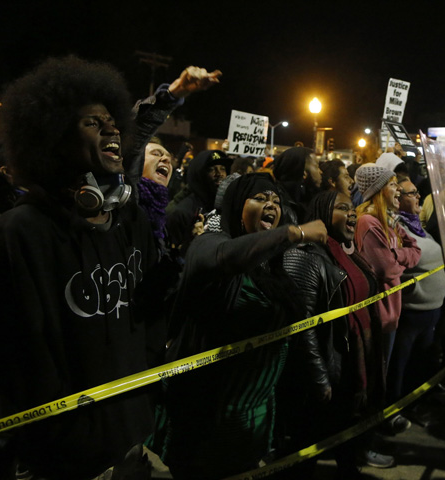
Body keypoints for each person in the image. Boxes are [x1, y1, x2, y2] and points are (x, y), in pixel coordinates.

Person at [0, 56, 220, 479]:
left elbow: (149, 317)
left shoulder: (129, 219)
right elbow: (11, 357)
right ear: (54, 138)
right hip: (63, 460)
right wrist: (70, 437)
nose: (112, 130)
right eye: (93, 123)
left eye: (112, 122)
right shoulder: (21, 232)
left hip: (131, 439)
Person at [155, 173, 326, 479]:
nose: (271, 205)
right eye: (260, 198)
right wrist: (293, 233)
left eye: (276, 200)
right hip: (207, 413)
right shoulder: (210, 243)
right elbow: (223, 259)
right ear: (236, 206)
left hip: (254, 412)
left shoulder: (271, 264)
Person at [280, 190, 389, 476]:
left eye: (353, 208)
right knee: (307, 448)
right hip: (327, 372)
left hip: (350, 365)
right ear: (322, 215)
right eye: (343, 208)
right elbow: (302, 326)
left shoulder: (344, 253)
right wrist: (319, 377)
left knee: (343, 437)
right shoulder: (304, 256)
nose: (352, 213)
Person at [354, 164, 421, 434]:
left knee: (380, 378)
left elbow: (414, 250)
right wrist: (398, 259)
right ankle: (366, 441)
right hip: (378, 318)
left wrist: (398, 257)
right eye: (393, 184)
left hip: (391, 315)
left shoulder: (388, 222)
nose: (398, 190)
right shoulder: (367, 223)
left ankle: (373, 432)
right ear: (379, 190)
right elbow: (386, 268)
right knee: (372, 381)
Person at [386, 179, 445, 419]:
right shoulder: (396, 228)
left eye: (417, 192)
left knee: (420, 366)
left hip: (431, 311)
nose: (418, 197)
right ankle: (394, 411)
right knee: (400, 368)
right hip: (411, 312)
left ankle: (415, 406)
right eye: (412, 194)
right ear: (398, 199)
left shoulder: (417, 227)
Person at [165, 149, 230, 250]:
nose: (219, 174)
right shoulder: (181, 212)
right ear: (199, 175)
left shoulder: (227, 207)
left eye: (222, 169)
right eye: (211, 169)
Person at [272, 146, 322, 224]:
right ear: (304, 173)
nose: (320, 172)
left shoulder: (308, 199)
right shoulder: (279, 205)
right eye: (316, 166)